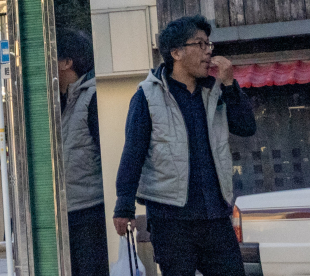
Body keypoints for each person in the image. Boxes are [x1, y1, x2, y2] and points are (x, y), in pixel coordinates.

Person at [113, 15, 256, 276]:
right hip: (171, 219)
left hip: (215, 214)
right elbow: (133, 152)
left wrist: (229, 84)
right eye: (200, 44)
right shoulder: (147, 96)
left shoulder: (215, 91)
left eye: (209, 44)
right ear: (176, 52)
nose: (208, 51)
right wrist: (124, 205)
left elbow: (246, 127)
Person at [56, 28, 106, 276]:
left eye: (52, 57)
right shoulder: (61, 102)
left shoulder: (92, 97)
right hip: (68, 212)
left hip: (91, 214)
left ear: (67, 62)